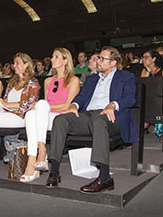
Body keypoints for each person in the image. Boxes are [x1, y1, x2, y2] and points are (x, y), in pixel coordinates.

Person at [45, 46, 138, 193]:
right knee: (61, 119)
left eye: (102, 58)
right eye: (98, 58)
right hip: (88, 115)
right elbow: (81, 98)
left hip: (112, 117)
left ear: (113, 62)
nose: (98, 61)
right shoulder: (92, 78)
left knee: (98, 120)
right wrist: (74, 105)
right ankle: (54, 171)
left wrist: (113, 104)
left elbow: (130, 97)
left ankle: (104, 177)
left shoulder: (125, 77)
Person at [21, 48, 80, 182]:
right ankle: (34, 158)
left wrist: (42, 106)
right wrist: (41, 107)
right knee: (30, 114)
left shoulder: (73, 80)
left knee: (40, 105)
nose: (52, 59)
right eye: (52, 57)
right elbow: (44, 108)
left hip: (61, 117)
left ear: (65, 61)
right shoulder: (48, 81)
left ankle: (40, 153)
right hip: (46, 117)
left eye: (56, 57)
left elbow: (66, 105)